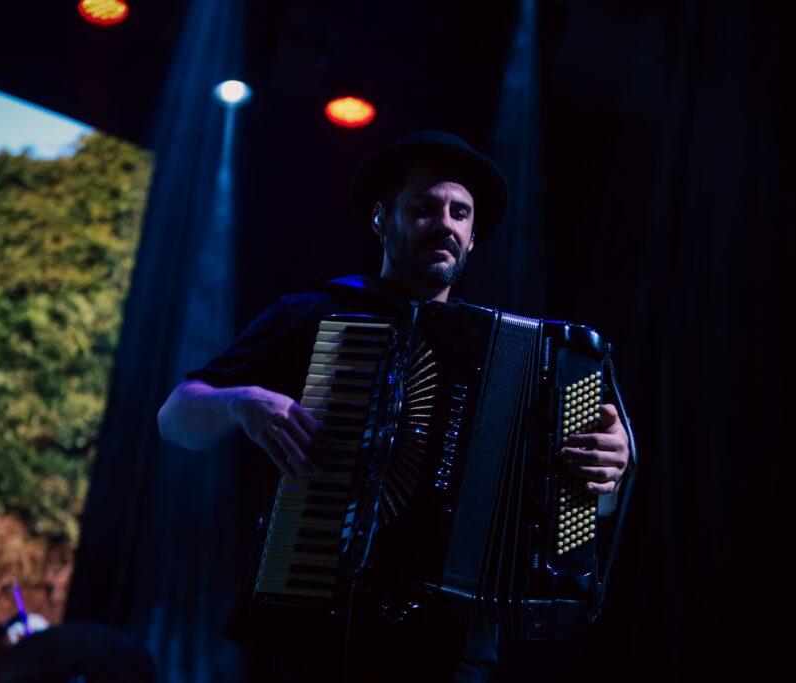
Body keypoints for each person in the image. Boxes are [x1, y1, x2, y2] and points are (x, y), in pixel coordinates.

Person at [158, 130, 631, 681]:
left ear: (473, 237)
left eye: (460, 213)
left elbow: (579, 513)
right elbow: (175, 417)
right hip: (318, 625)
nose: (445, 224)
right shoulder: (317, 312)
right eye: (425, 208)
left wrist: (604, 475)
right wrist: (241, 400)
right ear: (383, 220)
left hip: (454, 646)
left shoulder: (529, 361)